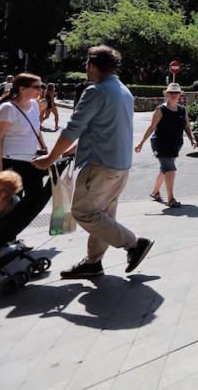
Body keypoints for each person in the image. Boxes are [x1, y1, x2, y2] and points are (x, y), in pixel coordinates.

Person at [33, 46, 153, 280]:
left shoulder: (96, 91)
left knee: (84, 212)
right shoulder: (124, 90)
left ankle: (134, 243)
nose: (86, 68)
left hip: (100, 164)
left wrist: (50, 158)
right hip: (119, 164)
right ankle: (93, 263)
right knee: (103, 215)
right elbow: (104, 128)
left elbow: (73, 128)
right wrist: (73, 150)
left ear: (92, 65)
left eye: (87, 64)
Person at [0, 73, 49, 222]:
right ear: (22, 89)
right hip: (9, 160)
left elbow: (36, 129)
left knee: (35, 196)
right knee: (9, 202)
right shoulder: (8, 108)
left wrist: (44, 148)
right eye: (37, 87)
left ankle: (10, 229)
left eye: (41, 86)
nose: (41, 90)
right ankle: (0, 232)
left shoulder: (34, 104)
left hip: (29, 159)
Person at [136, 82, 196, 208]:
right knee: (170, 169)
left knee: (165, 169)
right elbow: (152, 127)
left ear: (180, 94)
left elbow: (187, 127)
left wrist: (192, 139)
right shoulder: (160, 110)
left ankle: (155, 192)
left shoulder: (182, 110)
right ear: (166, 94)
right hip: (160, 144)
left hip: (175, 144)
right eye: (171, 93)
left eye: (176, 93)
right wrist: (141, 143)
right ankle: (171, 199)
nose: (174, 95)